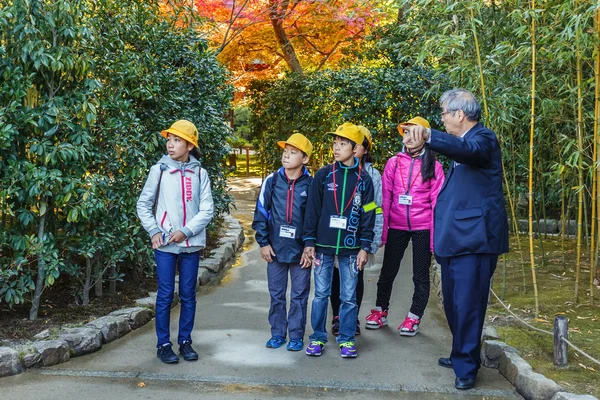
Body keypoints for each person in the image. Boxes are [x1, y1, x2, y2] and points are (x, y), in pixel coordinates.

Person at [401, 89, 509, 390]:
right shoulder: (463, 145)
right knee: (454, 304)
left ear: (460, 115)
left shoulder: (483, 140)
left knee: (468, 304)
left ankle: (466, 367)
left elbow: (469, 153)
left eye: (446, 113)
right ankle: (463, 353)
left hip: (475, 240)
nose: (443, 118)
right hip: (456, 238)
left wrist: (429, 135)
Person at [137, 119, 214, 364]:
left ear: (190, 145)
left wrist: (186, 231)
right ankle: (163, 345)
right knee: (165, 295)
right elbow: (143, 204)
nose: (170, 145)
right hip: (166, 246)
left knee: (188, 294)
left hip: (190, 245)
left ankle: (185, 342)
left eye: (177, 140)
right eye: (169, 140)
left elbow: (207, 210)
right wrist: (153, 230)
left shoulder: (200, 173)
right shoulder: (158, 170)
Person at [302, 122, 376, 358]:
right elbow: (312, 210)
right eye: (335, 143)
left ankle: (346, 339)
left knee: (348, 297)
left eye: (342, 143)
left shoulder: (365, 180)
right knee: (321, 295)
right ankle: (317, 337)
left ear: (355, 149)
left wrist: (365, 246)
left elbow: (369, 213)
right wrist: (309, 242)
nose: (336, 147)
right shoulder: (323, 175)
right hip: (322, 247)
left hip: (352, 248)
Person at [365, 117, 444, 337]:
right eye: (405, 133)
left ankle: (414, 316)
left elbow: (436, 203)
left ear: (425, 137)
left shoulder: (434, 166)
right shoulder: (393, 163)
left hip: (422, 226)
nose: (408, 138)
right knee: (388, 271)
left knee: (420, 275)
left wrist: (433, 239)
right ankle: (381, 310)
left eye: (414, 133)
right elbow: (386, 199)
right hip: (397, 225)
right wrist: (383, 232)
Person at [252, 133, 314, 352]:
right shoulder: (272, 180)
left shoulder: (311, 184)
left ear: (304, 159)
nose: (286, 156)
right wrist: (263, 242)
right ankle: (278, 334)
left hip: (300, 252)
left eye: (293, 152)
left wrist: (309, 245)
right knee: (276, 294)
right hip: (275, 249)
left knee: (299, 295)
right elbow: (260, 212)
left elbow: (313, 219)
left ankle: (296, 335)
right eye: (285, 151)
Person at [329, 126, 383, 337]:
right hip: (336, 236)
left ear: (364, 148)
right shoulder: (332, 172)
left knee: (355, 277)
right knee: (335, 276)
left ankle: (351, 318)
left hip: (359, 238)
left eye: (357, 143)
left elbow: (376, 208)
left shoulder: (372, 175)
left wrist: (372, 241)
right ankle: (336, 317)